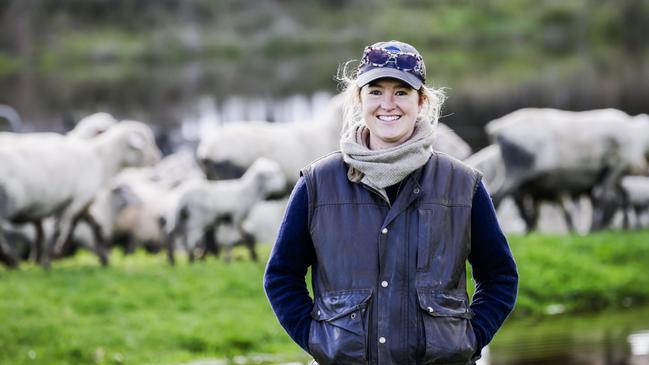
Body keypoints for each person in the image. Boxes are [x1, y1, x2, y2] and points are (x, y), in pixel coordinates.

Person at [264, 40, 518, 365]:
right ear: (358, 98)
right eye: (375, 91)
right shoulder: (317, 183)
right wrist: (318, 340)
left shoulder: (463, 185)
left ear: (421, 101)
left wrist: (468, 340)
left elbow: (499, 276)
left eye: (401, 92)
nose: (388, 104)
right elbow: (281, 275)